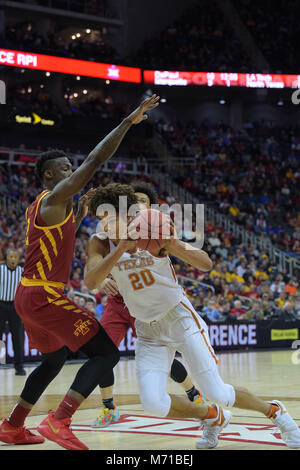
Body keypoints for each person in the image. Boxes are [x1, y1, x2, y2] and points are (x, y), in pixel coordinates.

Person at [84, 183, 300, 449]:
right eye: (99, 217)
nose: (101, 222)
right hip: (148, 331)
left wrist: (173, 245)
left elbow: (206, 264)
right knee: (153, 404)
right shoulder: (99, 242)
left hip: (179, 318)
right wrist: (119, 249)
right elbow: (91, 280)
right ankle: (213, 417)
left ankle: (276, 413)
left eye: (106, 216)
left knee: (217, 391)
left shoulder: (154, 229)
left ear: (126, 214)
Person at [0, 94, 160, 451]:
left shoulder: (46, 208)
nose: (73, 173)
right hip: (43, 295)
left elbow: (54, 240)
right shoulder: (54, 198)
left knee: (54, 359)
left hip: (29, 295)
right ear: (50, 176)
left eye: (71, 169)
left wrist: (83, 216)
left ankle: (12, 426)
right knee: (107, 354)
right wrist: (127, 122)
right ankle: (60, 421)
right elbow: (95, 159)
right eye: (66, 170)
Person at [92, 181, 205, 428]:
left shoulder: (155, 233)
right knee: (102, 353)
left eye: (143, 202)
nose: (138, 206)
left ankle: (193, 394)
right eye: (135, 201)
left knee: (165, 356)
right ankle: (109, 407)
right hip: (117, 303)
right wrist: (100, 283)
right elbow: (93, 269)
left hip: (150, 305)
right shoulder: (105, 235)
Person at [0, 249, 25, 375]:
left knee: (18, 337)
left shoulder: (22, 272)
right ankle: (0, 362)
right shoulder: (0, 269)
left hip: (15, 307)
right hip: (1, 305)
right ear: (6, 258)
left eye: (15, 257)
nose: (13, 259)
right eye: (11, 256)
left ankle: (19, 366)